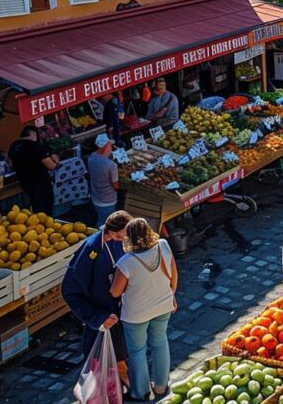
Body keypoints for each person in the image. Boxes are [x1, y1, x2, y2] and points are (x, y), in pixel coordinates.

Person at [62, 210, 132, 392]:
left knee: (123, 363)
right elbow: (71, 291)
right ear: (113, 233)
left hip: (122, 317)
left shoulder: (122, 242)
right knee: (103, 370)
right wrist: (97, 317)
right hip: (103, 320)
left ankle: (122, 390)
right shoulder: (90, 250)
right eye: (125, 233)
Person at [110, 218, 178, 402]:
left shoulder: (126, 262)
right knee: (160, 342)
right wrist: (171, 295)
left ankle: (142, 393)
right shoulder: (163, 245)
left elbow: (115, 292)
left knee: (137, 351)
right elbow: (174, 276)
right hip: (163, 306)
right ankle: (162, 386)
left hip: (136, 314)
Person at [8, 126, 59, 216]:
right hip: (41, 183)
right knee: (45, 211)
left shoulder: (13, 146)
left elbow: (10, 164)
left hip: (25, 184)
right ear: (32, 134)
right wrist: (56, 160)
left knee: (33, 211)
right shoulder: (36, 146)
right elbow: (51, 166)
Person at [88, 134, 120, 227]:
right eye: (110, 145)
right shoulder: (111, 165)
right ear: (105, 146)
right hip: (107, 201)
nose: (111, 147)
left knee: (101, 219)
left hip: (96, 197)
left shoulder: (91, 159)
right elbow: (116, 186)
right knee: (105, 224)